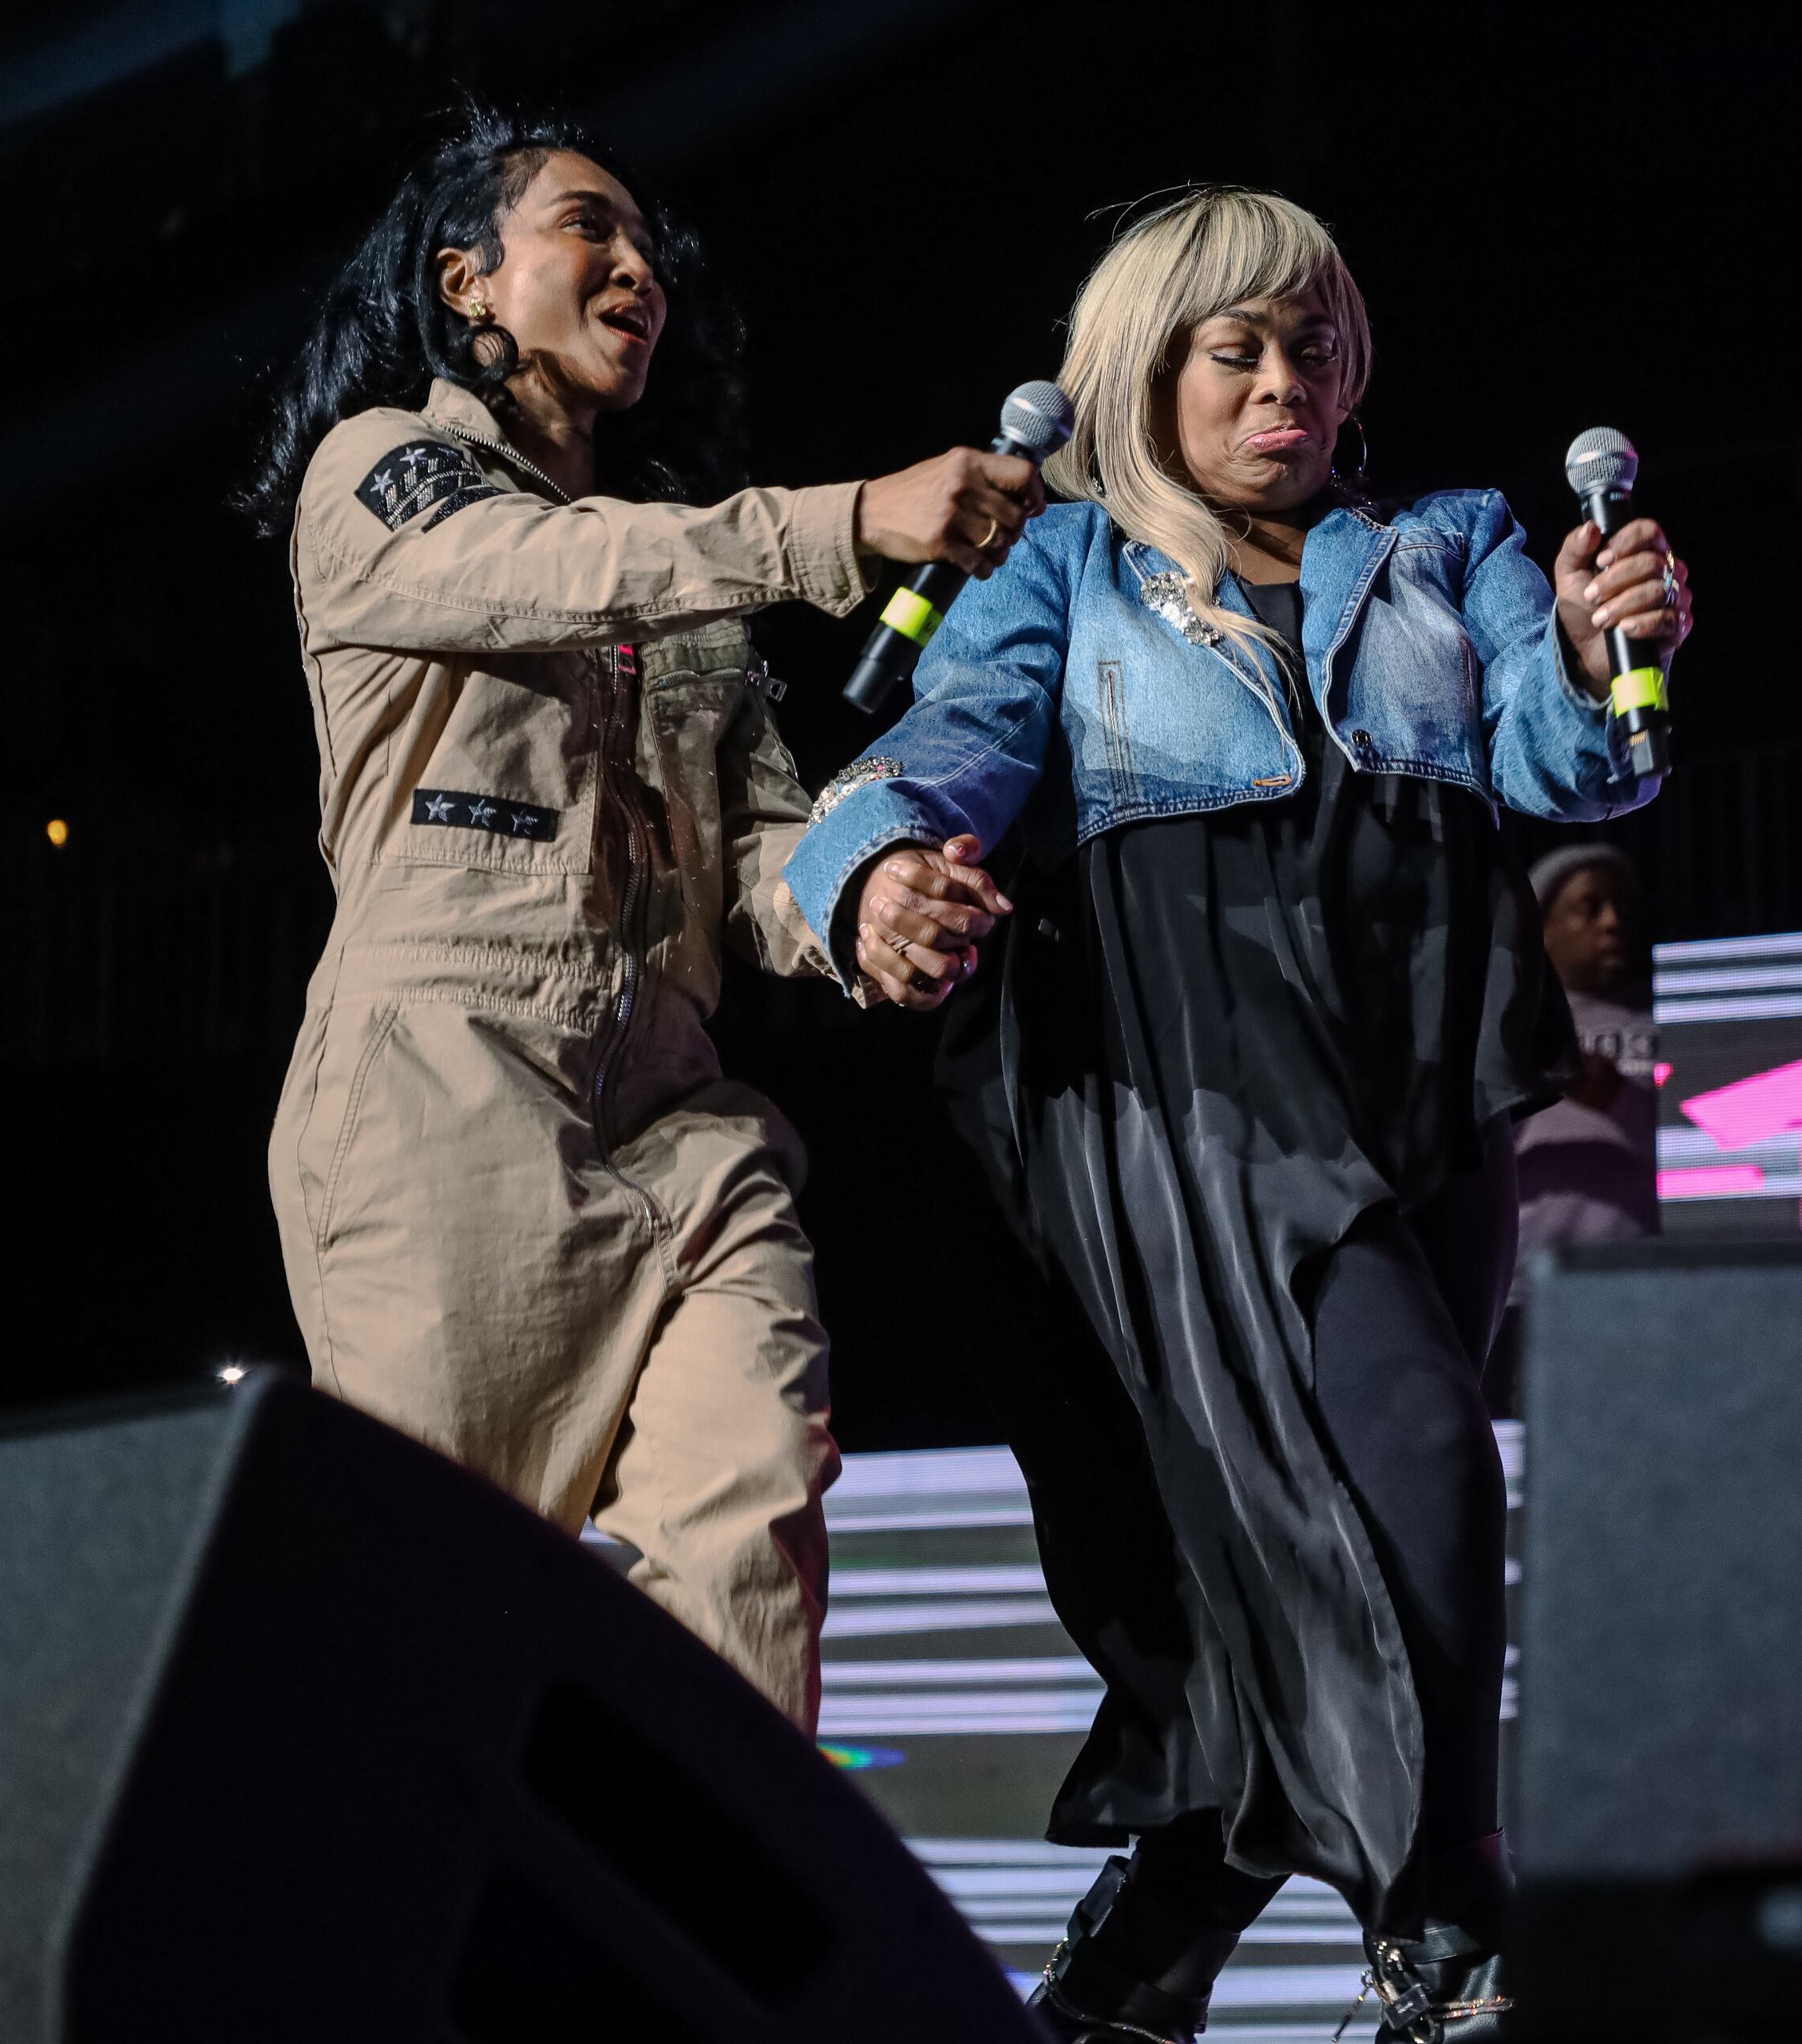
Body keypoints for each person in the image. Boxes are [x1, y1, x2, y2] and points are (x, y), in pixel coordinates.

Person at [783, 189, 1689, 2043]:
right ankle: (1452, 1930)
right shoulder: (1067, 563)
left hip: (1423, 1062)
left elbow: (1559, 757)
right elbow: (944, 748)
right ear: (1146, 371)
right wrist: (874, 868)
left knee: (1288, 1562)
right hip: (1189, 1069)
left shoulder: (1446, 539)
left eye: (1314, 347)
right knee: (1426, 1458)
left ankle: (1130, 1970)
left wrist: (1602, 653)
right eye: (1238, 349)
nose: (1287, 383)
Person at [235, 105, 1042, 1733]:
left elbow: (752, 847)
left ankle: (716, 1887)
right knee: (435, 1623)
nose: (639, 266)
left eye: (651, 246)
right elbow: (539, 569)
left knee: (751, 1516)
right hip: (448, 1094)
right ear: (467, 280)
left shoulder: (676, 579)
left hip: (679, 1116)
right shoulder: (381, 474)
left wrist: (863, 892)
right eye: (587, 228)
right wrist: (840, 522)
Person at [1489, 842, 1661, 1411]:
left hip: (1640, 1282)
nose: (1613, 923)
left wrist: (1614, 1094)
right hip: (1523, 1289)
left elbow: (1704, 1145)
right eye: (1590, 908)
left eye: (1623, 909)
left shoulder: (1665, 1022)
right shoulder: (1498, 1030)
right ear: (1540, 929)